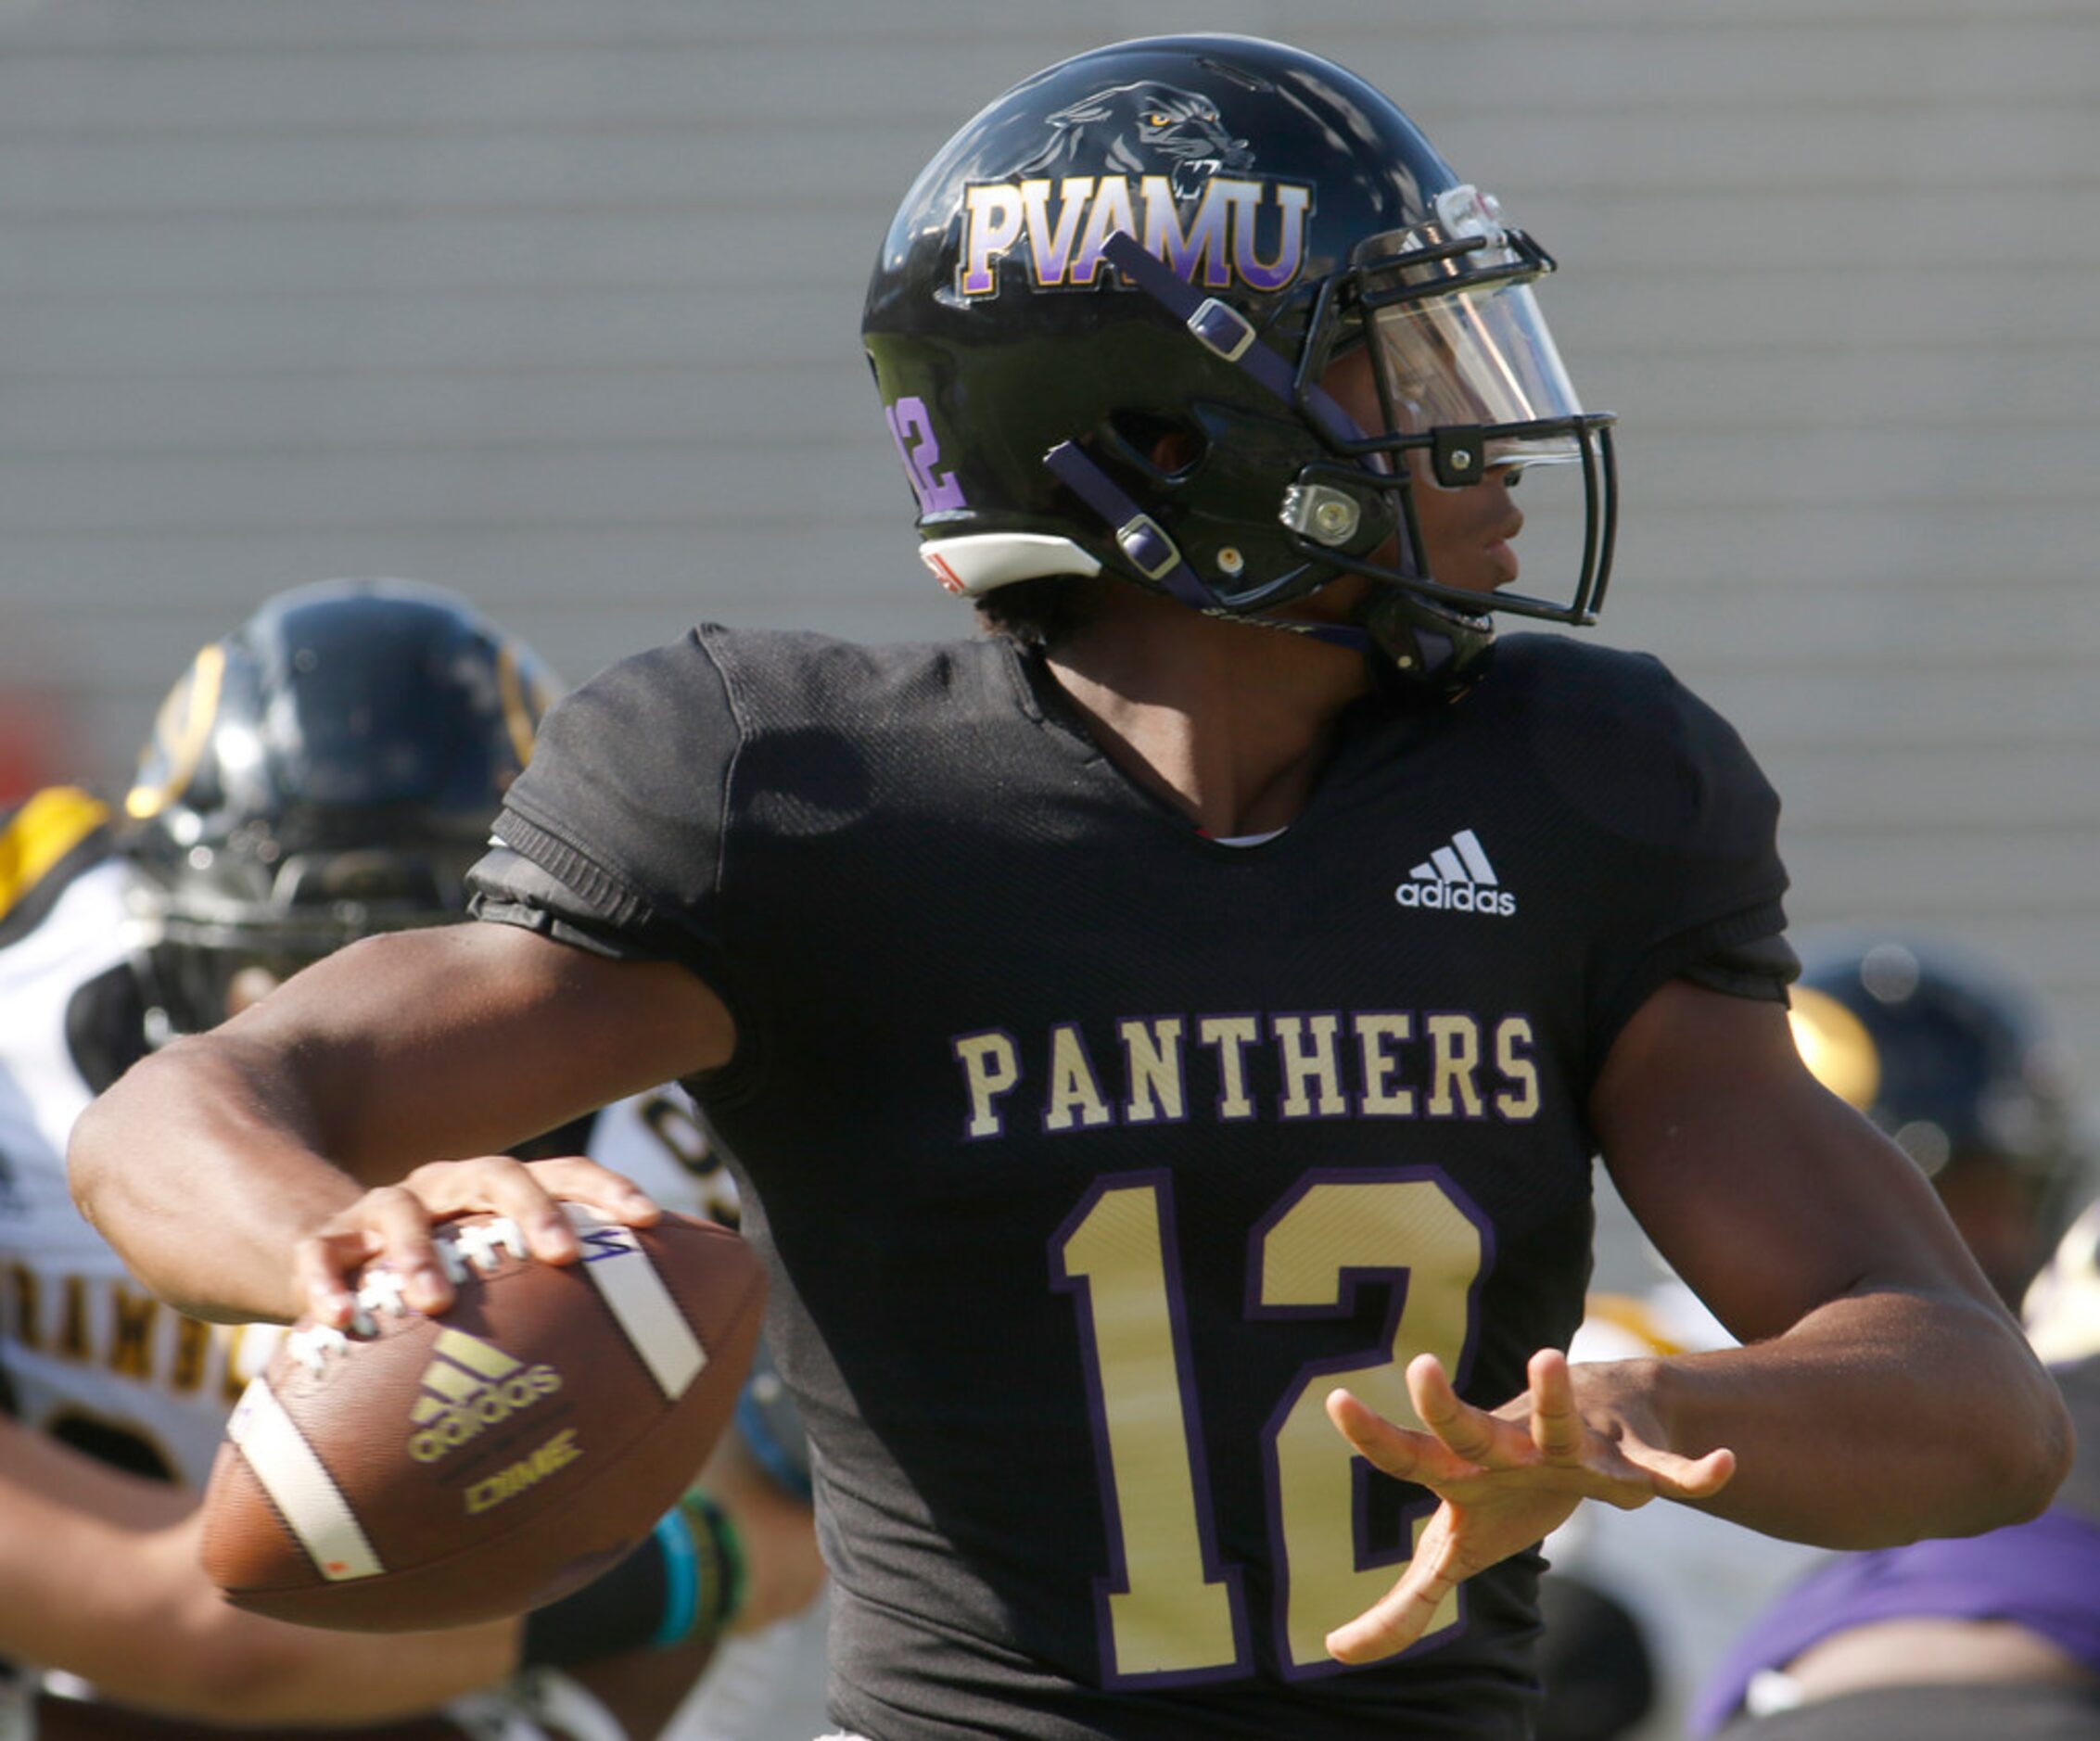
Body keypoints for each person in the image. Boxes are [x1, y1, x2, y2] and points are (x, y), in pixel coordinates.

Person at [67, 36, 2068, 1741]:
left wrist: (1644, 1410)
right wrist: (346, 1241)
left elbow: (1974, 1400)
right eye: (1402, 354)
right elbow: (186, 1114)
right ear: (1161, 441)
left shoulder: (1576, 783)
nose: (1490, 420)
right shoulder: (797, 795)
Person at [1, 582, 821, 1738]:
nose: (351, 1035)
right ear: (163, 928)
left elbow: (816, 1530)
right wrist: (712, 1570)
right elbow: (185, 1629)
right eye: (274, 986)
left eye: (421, 1000)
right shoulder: (19, 1038)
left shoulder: (681, 1107)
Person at [1680, 935, 2100, 1741]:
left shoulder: (2032, 1379)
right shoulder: (1617, 1368)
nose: (2007, 1241)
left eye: (2015, 1192)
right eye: (1958, 1197)